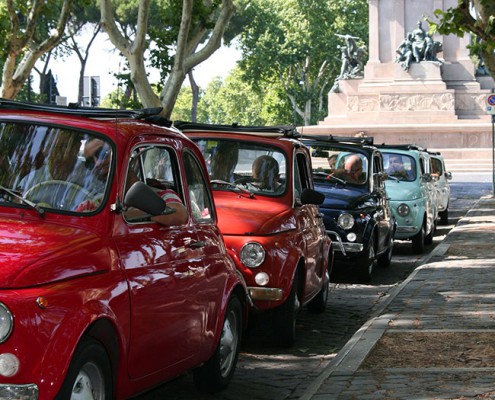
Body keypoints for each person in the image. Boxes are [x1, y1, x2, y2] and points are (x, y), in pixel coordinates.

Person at [123, 158, 188, 226]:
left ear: (129, 173)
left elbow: (180, 215)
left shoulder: (163, 194)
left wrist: (127, 215)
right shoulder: (116, 202)